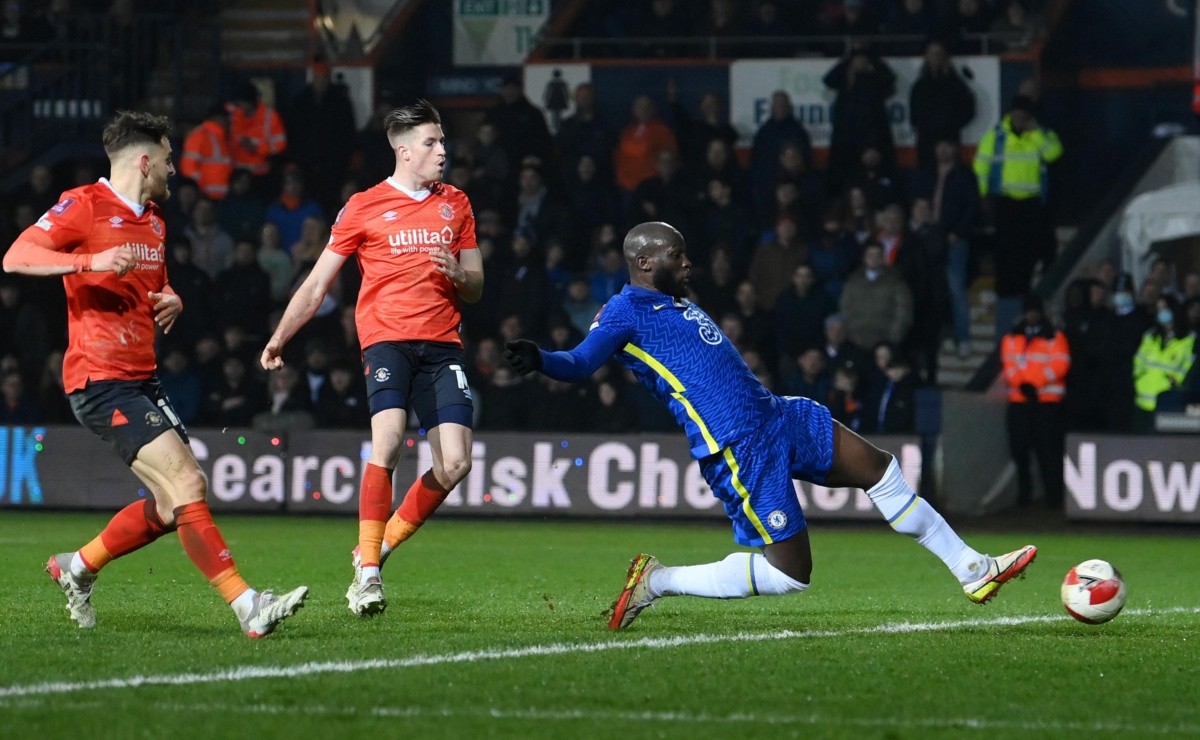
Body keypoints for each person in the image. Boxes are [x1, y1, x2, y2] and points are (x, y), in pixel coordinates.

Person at [503, 221, 1036, 630]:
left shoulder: (673, 301)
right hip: (738, 446)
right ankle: (657, 581)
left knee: (879, 468)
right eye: (676, 255)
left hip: (778, 415)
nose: (688, 263)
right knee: (790, 575)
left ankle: (972, 569)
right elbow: (579, 362)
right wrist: (542, 358)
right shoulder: (623, 313)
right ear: (644, 261)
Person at [2, 110, 306, 638]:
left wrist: (171, 300)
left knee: (174, 502)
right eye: (168, 160)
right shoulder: (83, 205)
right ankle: (247, 605)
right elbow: (16, 256)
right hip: (99, 379)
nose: (174, 170)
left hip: (142, 377)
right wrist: (88, 263)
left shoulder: (155, 223)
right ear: (144, 161)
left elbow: (153, 285)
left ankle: (76, 567)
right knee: (187, 481)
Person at [260, 99, 483, 618]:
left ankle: (373, 548)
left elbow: (475, 287)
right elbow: (317, 283)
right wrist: (279, 337)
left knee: (455, 463)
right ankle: (368, 578)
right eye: (432, 142)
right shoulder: (363, 206)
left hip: (442, 343)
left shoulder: (458, 204)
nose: (442, 151)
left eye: (443, 141)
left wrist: (458, 274)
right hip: (386, 340)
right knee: (388, 441)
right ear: (404, 151)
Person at [973, 95, 1062, 339]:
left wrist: (1036, 133)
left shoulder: (1040, 135)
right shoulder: (996, 137)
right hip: (1005, 204)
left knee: (1031, 253)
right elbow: (981, 167)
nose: (1022, 120)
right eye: (1019, 115)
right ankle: (1009, 305)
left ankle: (1027, 298)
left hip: (1032, 205)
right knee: (1007, 257)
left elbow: (1054, 153)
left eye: (1027, 116)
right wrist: (983, 200)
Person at [1000, 294, 1069, 508]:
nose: (1032, 314)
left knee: (1047, 451)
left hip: (1047, 402)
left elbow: (1060, 364)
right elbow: (1009, 364)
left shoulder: (1054, 337)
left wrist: (1034, 384)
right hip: (1020, 402)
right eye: (1029, 310)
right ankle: (1024, 495)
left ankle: (1053, 497)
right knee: (1019, 450)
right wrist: (1023, 385)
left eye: (1035, 310)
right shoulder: (1011, 337)